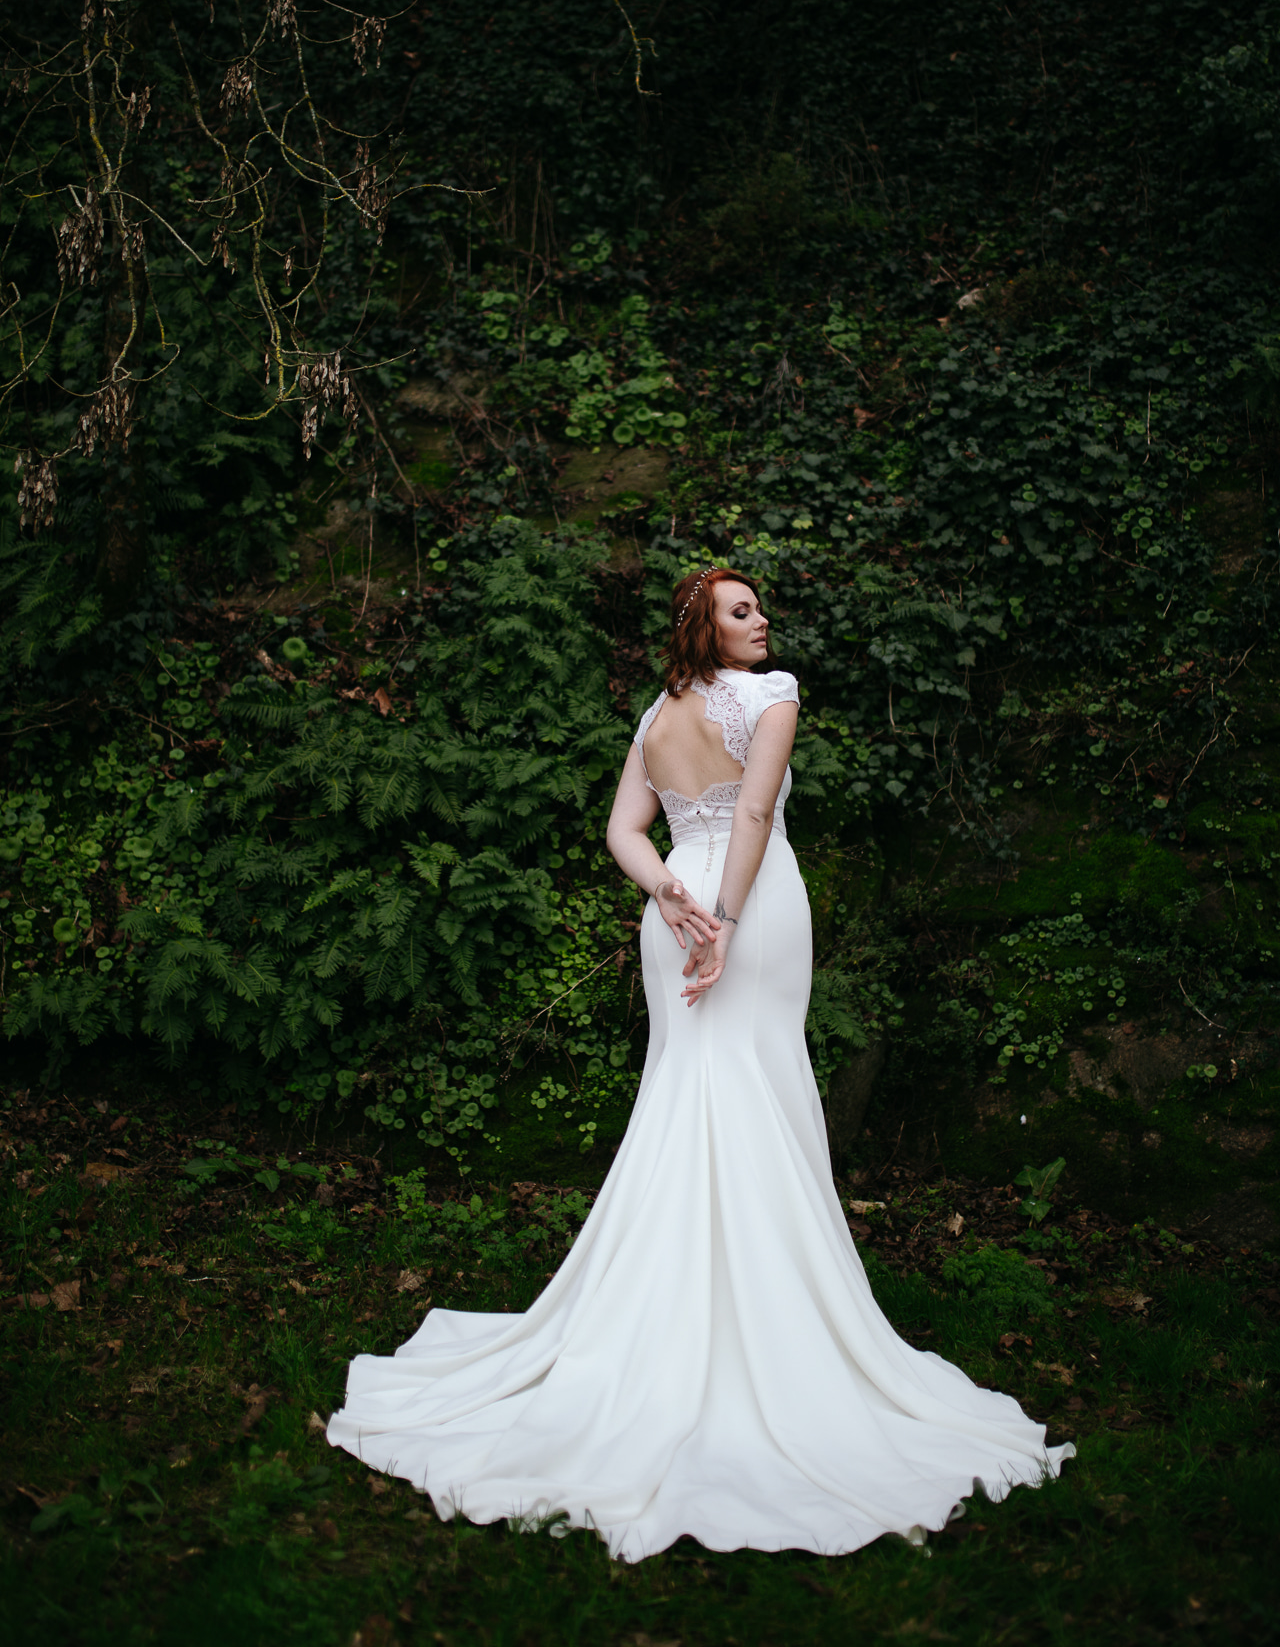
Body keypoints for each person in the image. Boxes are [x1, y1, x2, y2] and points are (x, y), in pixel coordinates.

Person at [326, 566, 1073, 1560]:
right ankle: (768, 1327)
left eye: (757, 608)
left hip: (672, 901)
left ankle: (672, 1316)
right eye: (740, 610)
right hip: (745, 906)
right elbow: (755, 818)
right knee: (752, 1083)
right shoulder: (771, 696)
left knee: (689, 1094)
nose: (760, 621)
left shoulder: (654, 714)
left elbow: (620, 833)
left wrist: (669, 899)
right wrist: (717, 920)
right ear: (701, 628)